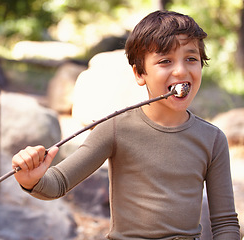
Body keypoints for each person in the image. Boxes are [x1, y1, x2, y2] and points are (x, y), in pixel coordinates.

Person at [12, 10, 240, 239]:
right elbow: (58, 183)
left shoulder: (212, 139)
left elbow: (225, 223)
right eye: (165, 61)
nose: (181, 70)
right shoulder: (115, 129)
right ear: (140, 73)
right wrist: (31, 179)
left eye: (191, 58)